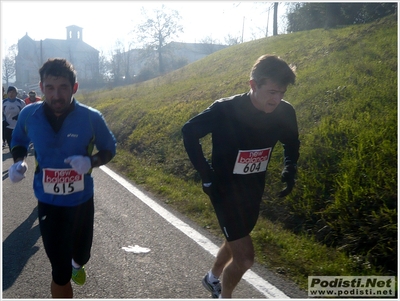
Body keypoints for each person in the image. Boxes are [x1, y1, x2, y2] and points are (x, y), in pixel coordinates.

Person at [181, 54, 300, 298]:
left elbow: (291, 142)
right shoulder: (225, 109)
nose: (277, 99)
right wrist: (206, 174)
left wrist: (290, 167)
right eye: (272, 92)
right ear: (253, 85)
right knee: (245, 258)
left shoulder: (285, 112)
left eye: (282, 93)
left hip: (253, 188)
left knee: (238, 236)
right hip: (222, 189)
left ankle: (212, 277)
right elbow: (189, 131)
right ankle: (225, 296)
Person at [9, 58, 117, 298]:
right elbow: (18, 141)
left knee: (81, 255)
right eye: (50, 88)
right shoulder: (29, 114)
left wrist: (91, 161)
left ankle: (78, 264)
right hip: (48, 204)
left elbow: (109, 148)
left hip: (81, 202)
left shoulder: (91, 117)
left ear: (74, 88)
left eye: (63, 88)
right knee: (59, 271)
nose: (56, 95)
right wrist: (19, 162)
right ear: (41, 87)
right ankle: (66, 271)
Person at [3, 86, 26, 151]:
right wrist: (3, 121)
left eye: (13, 92)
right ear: (7, 93)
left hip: (18, 127)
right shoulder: (3, 103)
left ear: (16, 94)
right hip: (8, 127)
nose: (11, 94)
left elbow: (25, 113)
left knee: (18, 145)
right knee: (11, 146)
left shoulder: (21, 102)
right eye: (10, 92)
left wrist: (19, 116)